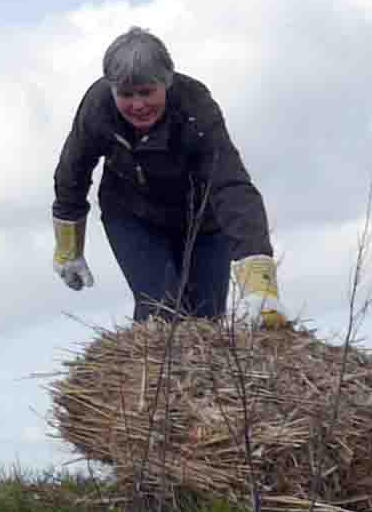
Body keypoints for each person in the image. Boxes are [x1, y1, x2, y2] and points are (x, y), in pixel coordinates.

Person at [48, 27, 288, 326]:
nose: (138, 105)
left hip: (203, 222)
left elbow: (232, 187)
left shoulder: (195, 106)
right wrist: (68, 248)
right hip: (133, 215)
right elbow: (73, 172)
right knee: (161, 312)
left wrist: (260, 286)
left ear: (167, 81)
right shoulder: (98, 107)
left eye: (147, 92)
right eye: (126, 94)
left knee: (205, 321)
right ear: (111, 89)